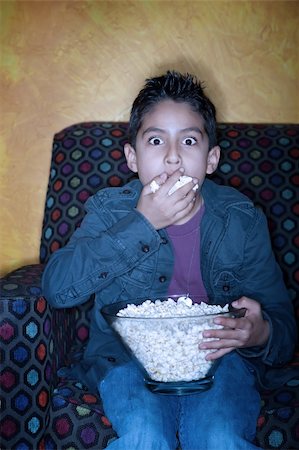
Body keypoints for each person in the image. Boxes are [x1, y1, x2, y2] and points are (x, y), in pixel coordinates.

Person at [42, 71, 296, 449]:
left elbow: (283, 325)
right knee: (145, 435)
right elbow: (57, 287)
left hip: (221, 362)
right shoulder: (109, 213)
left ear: (211, 159)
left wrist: (259, 333)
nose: (173, 157)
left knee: (219, 436)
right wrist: (143, 223)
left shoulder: (242, 219)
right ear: (132, 156)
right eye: (156, 140)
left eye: (189, 141)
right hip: (127, 362)